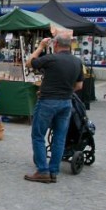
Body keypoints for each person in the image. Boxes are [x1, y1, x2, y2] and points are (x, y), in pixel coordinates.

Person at [24, 33, 83, 183]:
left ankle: (43, 171)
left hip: (48, 102)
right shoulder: (77, 62)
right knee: (59, 137)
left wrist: (41, 46)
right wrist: (64, 91)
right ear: (69, 45)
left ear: (55, 44)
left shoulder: (52, 58)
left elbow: (29, 63)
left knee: (38, 135)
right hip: (66, 103)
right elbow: (79, 85)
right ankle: (53, 171)